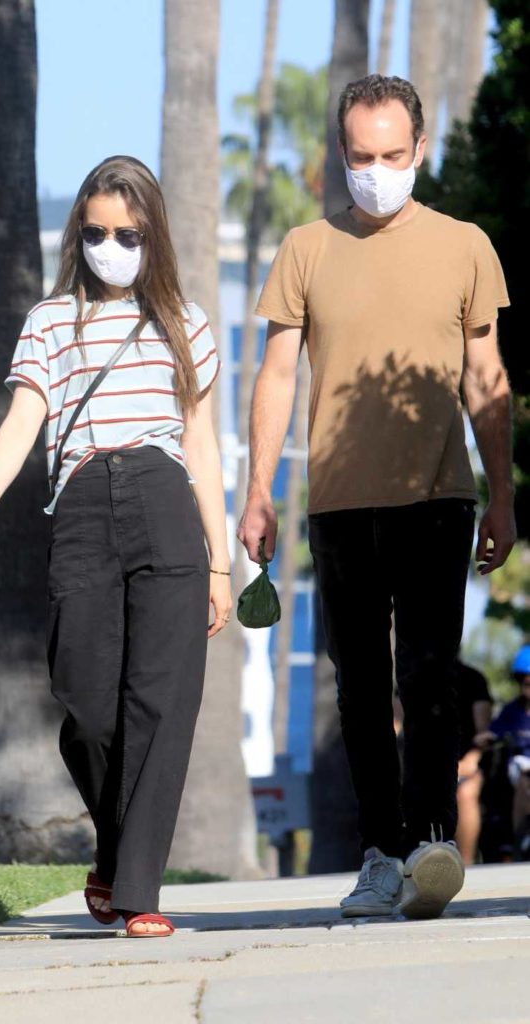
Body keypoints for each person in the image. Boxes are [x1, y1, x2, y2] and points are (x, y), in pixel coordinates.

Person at [238, 74, 514, 920]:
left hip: (437, 495)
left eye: (392, 154)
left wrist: (502, 495)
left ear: (419, 150)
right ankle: (381, 855)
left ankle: (431, 846)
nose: (376, 169)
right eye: (361, 155)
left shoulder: (465, 243)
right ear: (341, 153)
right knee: (356, 684)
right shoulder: (304, 249)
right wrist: (256, 491)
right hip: (337, 504)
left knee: (426, 676)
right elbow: (278, 374)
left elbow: (484, 376)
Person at [0, 155, 231, 938]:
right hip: (79, 506)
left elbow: (202, 445)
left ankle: (137, 892)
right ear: (79, 234)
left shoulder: (187, 321)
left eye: (127, 232)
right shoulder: (49, 320)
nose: (110, 244)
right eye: (96, 231)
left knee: (157, 705)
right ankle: (114, 852)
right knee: (86, 698)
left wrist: (218, 560)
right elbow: (22, 421)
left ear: (152, 234)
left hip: (166, 501)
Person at [476, 645, 530, 848]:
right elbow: (492, 732)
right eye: (525, 682)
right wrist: (485, 738)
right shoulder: (511, 711)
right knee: (526, 778)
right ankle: (521, 839)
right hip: (520, 764)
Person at [451, 658, 493, 865]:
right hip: (421, 767)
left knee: (465, 793)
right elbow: (396, 723)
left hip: (466, 763)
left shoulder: (472, 678)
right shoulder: (411, 676)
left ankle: (465, 865)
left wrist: (471, 759)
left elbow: (483, 732)